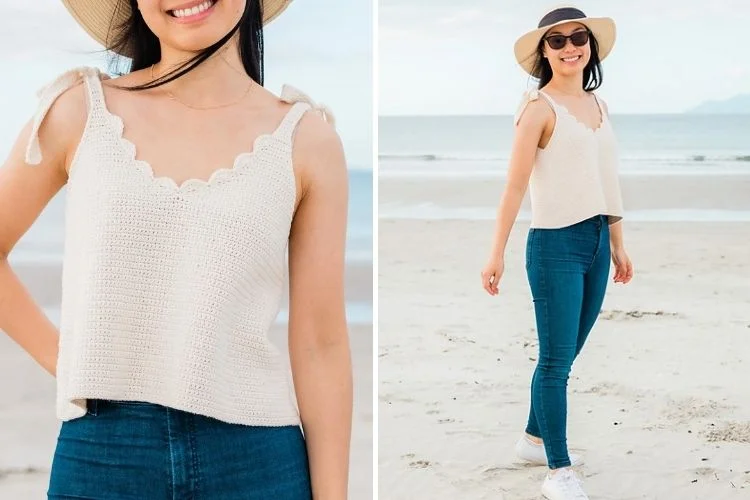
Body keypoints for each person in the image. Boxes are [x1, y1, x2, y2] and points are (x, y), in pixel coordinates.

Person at [0, 0, 353, 498]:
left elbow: (321, 341)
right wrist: (72, 363)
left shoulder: (306, 140)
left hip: (258, 461)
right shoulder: (81, 110)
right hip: (103, 456)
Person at [480, 5, 634, 500]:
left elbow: (605, 179)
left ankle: (532, 439)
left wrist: (617, 241)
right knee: (555, 362)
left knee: (567, 356)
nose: (570, 47)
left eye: (578, 37)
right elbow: (513, 186)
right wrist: (495, 252)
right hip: (553, 246)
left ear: (590, 46)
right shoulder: (538, 109)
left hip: (594, 241)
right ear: (544, 52)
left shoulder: (599, 105)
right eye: (558, 40)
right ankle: (558, 471)